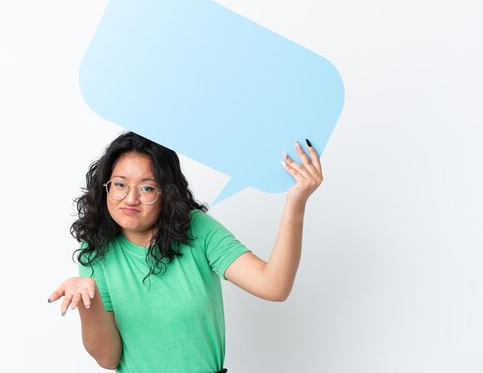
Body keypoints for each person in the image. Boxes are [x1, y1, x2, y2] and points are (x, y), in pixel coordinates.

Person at [48, 131, 323, 372]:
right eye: (119, 184)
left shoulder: (198, 230)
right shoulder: (97, 249)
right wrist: (87, 299)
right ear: (105, 187)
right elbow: (109, 359)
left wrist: (296, 202)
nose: (130, 199)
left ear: (167, 193)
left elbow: (273, 286)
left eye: (147, 188)